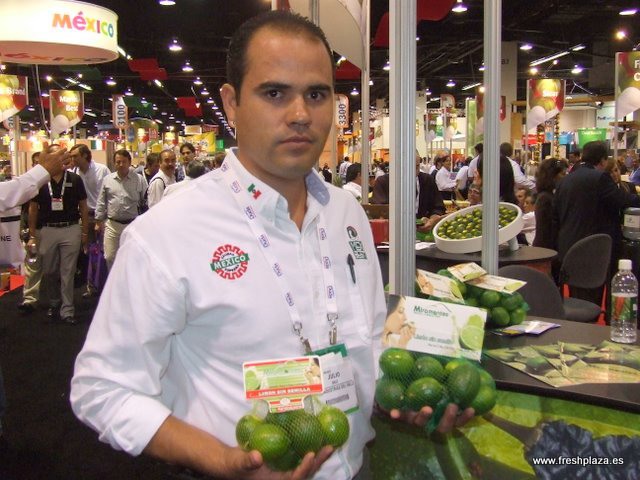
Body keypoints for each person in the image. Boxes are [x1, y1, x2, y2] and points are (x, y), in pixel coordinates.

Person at [70, 11, 472, 480]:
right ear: (232, 102)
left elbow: (367, 341)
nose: (300, 114)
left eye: (316, 94)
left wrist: (405, 393)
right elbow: (102, 388)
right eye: (275, 93)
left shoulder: (347, 214)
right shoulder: (167, 233)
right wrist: (219, 460)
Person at [553, 140, 640, 306]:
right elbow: (621, 200)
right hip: (593, 249)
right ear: (602, 160)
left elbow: (556, 215)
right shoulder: (600, 178)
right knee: (591, 301)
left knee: (575, 300)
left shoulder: (565, 180)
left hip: (568, 248)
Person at [29, 144, 89, 325]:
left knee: (68, 272)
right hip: (47, 230)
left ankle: (67, 309)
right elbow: (33, 208)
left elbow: (83, 207)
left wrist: (84, 232)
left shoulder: (75, 179)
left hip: (71, 228)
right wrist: (32, 234)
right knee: (49, 270)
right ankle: (55, 301)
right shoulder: (41, 182)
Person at [68, 144, 110, 297]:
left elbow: (108, 194)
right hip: (84, 217)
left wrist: (101, 219)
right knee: (87, 252)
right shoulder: (73, 173)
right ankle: (91, 286)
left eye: (75, 156)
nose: (72, 159)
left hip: (102, 217)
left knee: (105, 252)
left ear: (85, 155)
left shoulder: (101, 170)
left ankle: (106, 285)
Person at [94, 149, 146, 271]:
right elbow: (101, 201)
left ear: (129, 162)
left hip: (132, 225)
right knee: (109, 256)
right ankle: (113, 281)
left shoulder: (139, 179)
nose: (121, 165)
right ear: (114, 163)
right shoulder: (107, 180)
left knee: (131, 258)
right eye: (118, 162)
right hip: (112, 225)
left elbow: (144, 200)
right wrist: (98, 221)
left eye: (124, 162)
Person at [533, 158, 567, 250]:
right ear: (553, 175)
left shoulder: (548, 196)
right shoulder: (545, 198)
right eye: (563, 174)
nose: (565, 177)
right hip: (545, 249)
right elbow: (547, 230)